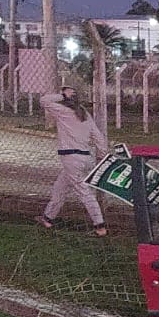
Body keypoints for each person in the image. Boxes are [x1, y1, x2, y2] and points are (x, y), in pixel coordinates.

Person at [38, 85, 110, 235]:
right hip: (85, 157)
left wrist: (62, 96)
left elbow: (44, 100)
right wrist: (102, 155)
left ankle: (100, 225)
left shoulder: (63, 111)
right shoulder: (84, 114)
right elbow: (99, 138)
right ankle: (47, 218)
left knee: (83, 192)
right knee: (60, 187)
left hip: (71, 158)